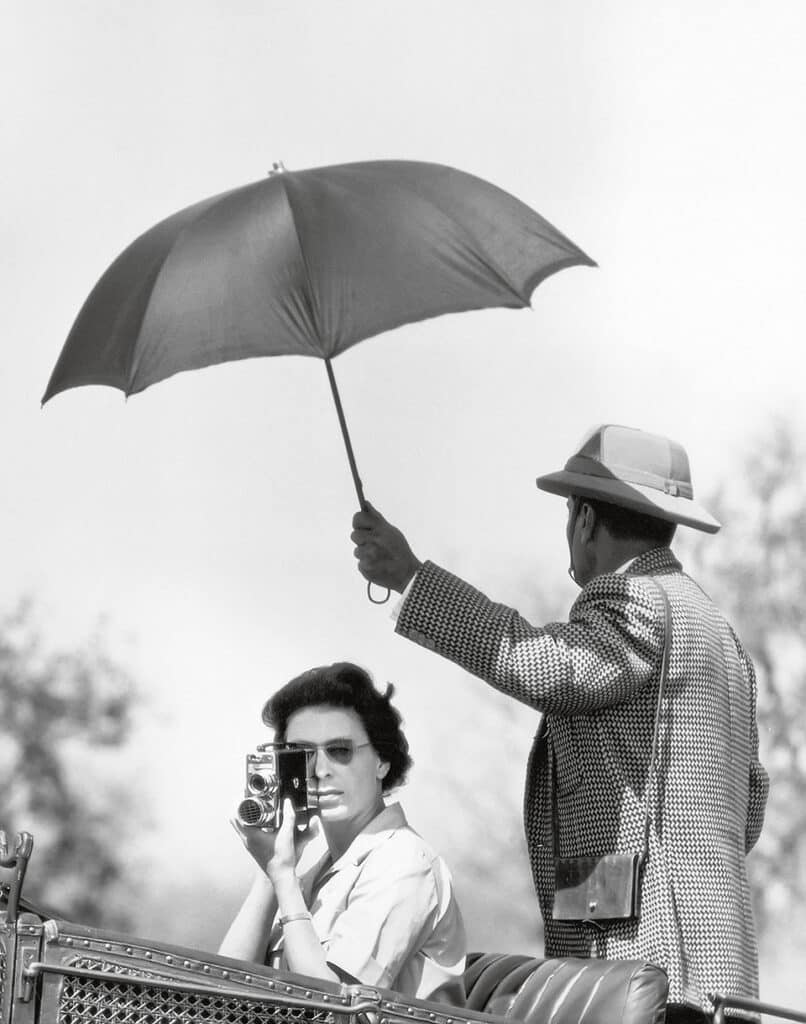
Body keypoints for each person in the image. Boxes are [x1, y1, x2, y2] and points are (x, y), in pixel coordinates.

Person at [350, 424, 769, 1023]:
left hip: (654, 960)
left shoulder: (638, 601)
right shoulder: (722, 637)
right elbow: (749, 806)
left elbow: (546, 668)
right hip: (716, 964)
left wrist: (411, 577)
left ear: (585, 520)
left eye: (571, 512)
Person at [219, 661, 466, 1006]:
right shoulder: (309, 873)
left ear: (383, 761)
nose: (319, 770)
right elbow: (221, 991)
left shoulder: (404, 862)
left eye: (340, 751)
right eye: (301, 754)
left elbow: (332, 1008)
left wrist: (285, 880)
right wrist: (270, 873)